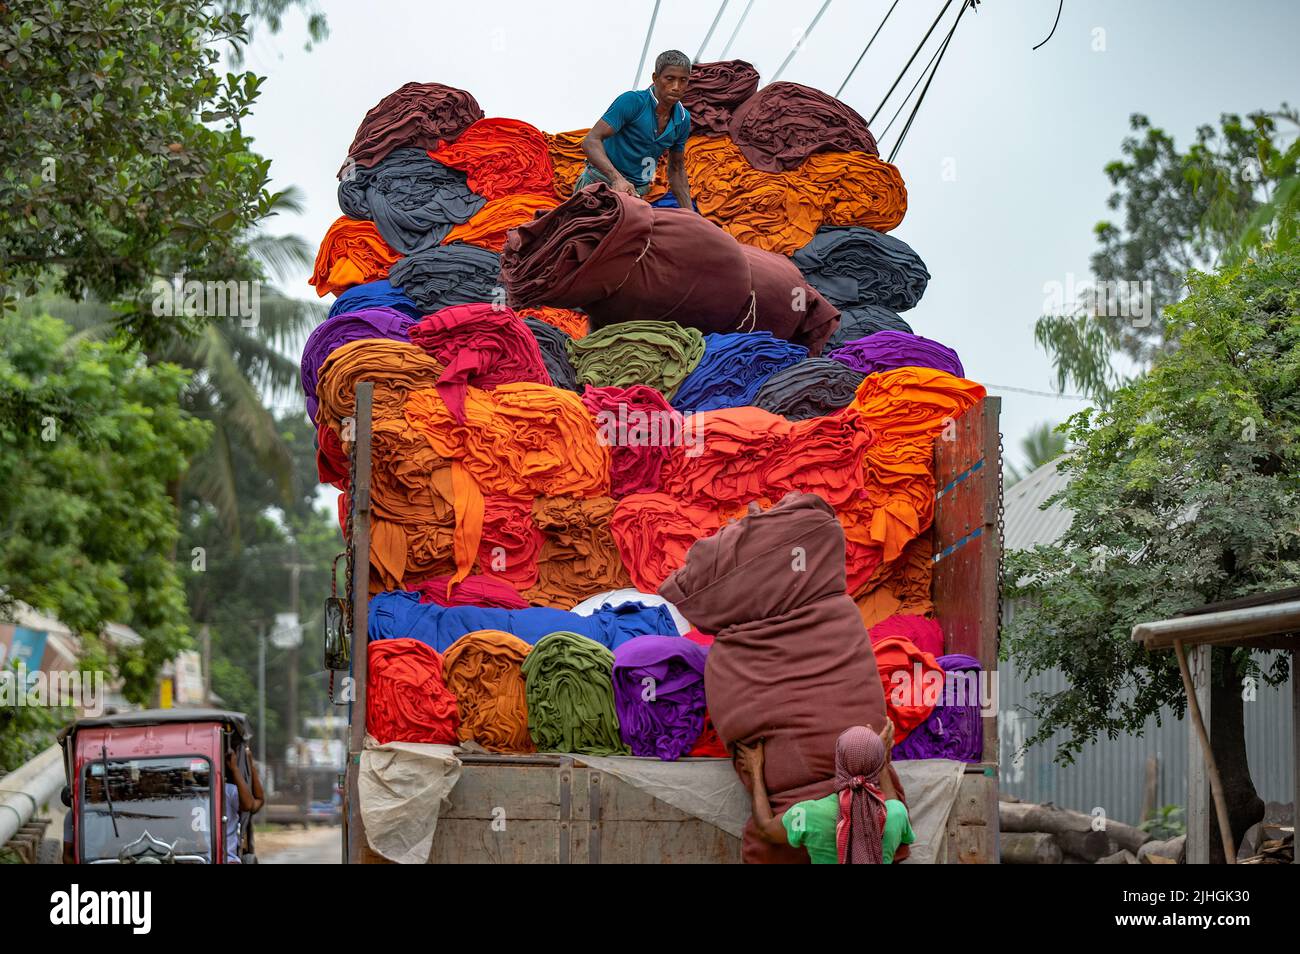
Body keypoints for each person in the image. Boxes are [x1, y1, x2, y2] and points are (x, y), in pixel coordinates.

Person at [735, 722, 915, 864]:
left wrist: (755, 771)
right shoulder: (896, 815)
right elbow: (893, 804)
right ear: (876, 766)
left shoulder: (809, 814)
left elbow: (767, 829)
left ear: (839, 763)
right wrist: (881, 761)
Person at [579, 50, 695, 209]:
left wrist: (690, 213)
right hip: (600, 183)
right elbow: (590, 141)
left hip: (637, 194)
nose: (676, 87)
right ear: (655, 78)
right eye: (670, 79)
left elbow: (676, 169)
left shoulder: (683, 119)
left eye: (683, 80)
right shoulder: (633, 102)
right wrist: (617, 179)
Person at [223, 746, 262, 864]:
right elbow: (256, 801)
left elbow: (252, 804)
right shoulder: (227, 791)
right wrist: (246, 767)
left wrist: (237, 769)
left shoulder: (228, 791)